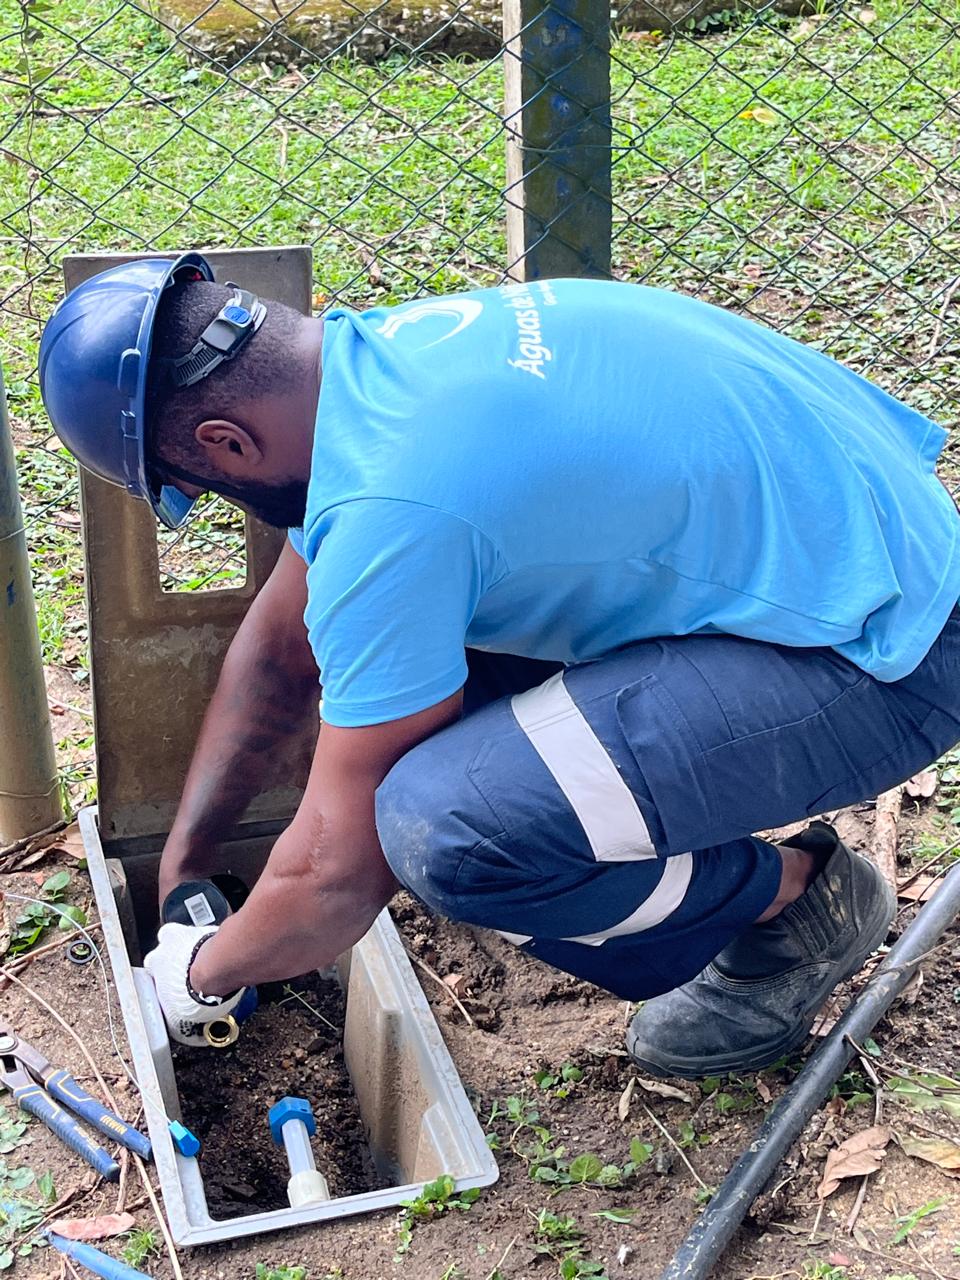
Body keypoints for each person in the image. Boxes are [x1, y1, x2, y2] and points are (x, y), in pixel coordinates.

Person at [38, 253, 960, 1075]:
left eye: (199, 486)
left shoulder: (392, 515)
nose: (212, 498)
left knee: (449, 828)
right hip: (853, 555)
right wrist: (184, 866)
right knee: (407, 691)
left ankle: (793, 908)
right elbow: (285, 653)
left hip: (890, 655)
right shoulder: (377, 368)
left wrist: (199, 977)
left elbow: (338, 881)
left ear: (226, 443)